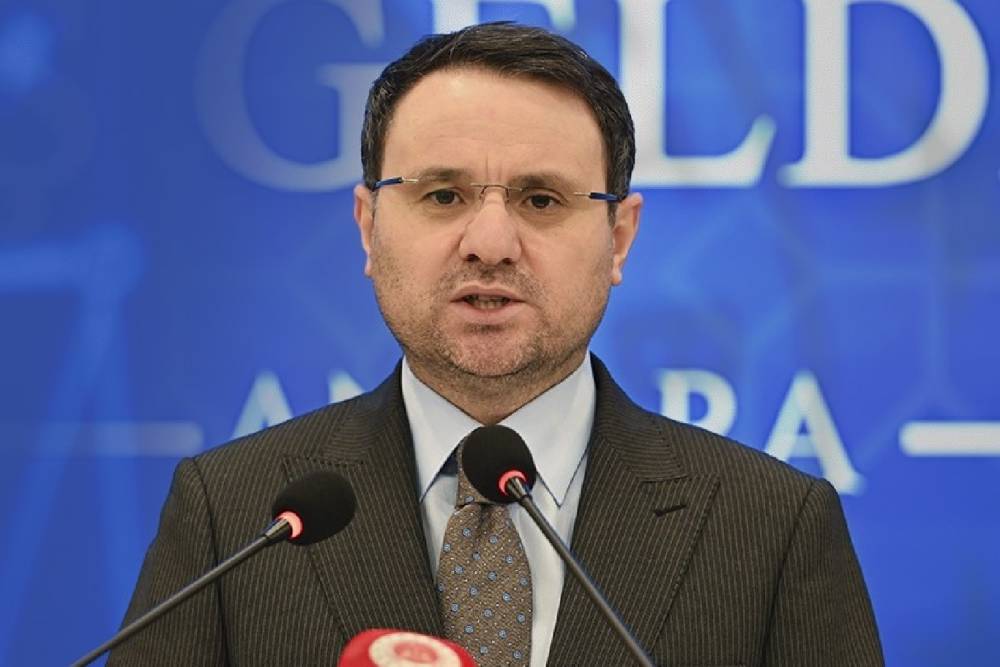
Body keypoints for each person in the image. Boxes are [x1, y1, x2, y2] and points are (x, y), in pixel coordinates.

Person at [109, 22, 883, 666]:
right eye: (443, 194)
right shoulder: (235, 517)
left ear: (619, 237)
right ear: (368, 228)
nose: (489, 242)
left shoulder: (770, 528)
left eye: (540, 199)